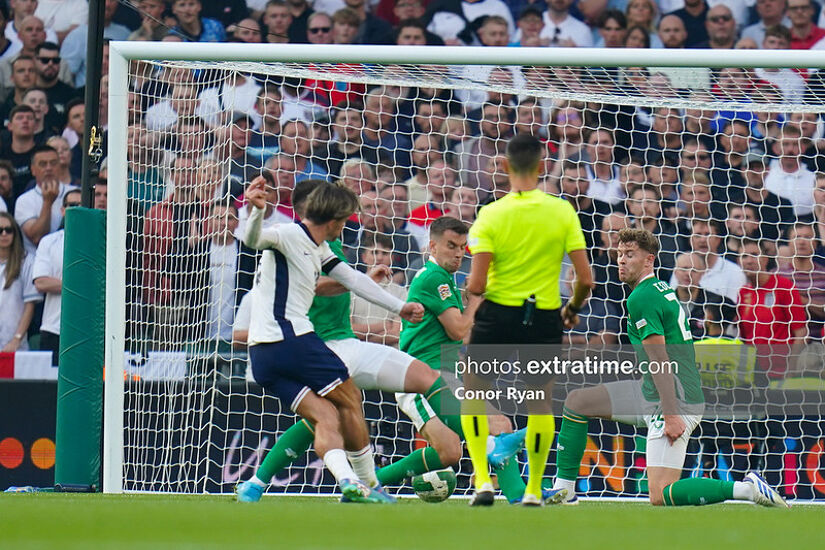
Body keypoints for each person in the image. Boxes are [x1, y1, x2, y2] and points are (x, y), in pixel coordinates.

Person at [236, 181, 471, 502]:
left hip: (317, 344)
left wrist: (388, 299)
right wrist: (256, 211)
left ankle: (259, 483)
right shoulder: (288, 238)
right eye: (345, 217)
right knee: (349, 405)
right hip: (315, 343)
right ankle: (369, 485)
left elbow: (346, 280)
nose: (349, 223)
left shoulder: (324, 248)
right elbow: (262, 246)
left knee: (322, 417)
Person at [546, 228, 788, 508]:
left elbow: (659, 359)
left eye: (630, 255)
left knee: (660, 495)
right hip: (653, 392)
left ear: (649, 260)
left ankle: (745, 489)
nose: (621, 261)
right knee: (577, 402)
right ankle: (564, 490)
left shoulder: (643, 298)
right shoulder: (660, 288)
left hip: (674, 400)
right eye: (619, 254)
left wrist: (672, 414)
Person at [462, 134, 593, 506]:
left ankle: (483, 480)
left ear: (504, 167)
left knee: (474, 394)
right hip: (544, 316)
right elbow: (585, 279)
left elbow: (476, 284)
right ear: (542, 167)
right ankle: (534, 489)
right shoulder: (561, 211)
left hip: (498, 313)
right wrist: (572, 310)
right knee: (540, 401)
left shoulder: (491, 214)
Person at [32, 188, 80, 362]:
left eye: (81, 205)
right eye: (72, 205)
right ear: (62, 210)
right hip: (54, 328)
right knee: (52, 388)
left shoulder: (101, 241)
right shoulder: (49, 241)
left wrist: (61, 284)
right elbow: (41, 282)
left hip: (90, 329)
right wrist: (80, 286)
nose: (77, 209)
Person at [0, 212, 40, 352]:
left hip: (14, 345)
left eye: (9, 230)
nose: (4, 234)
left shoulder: (27, 261)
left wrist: (17, 339)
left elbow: (29, 305)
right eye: (0, 230)